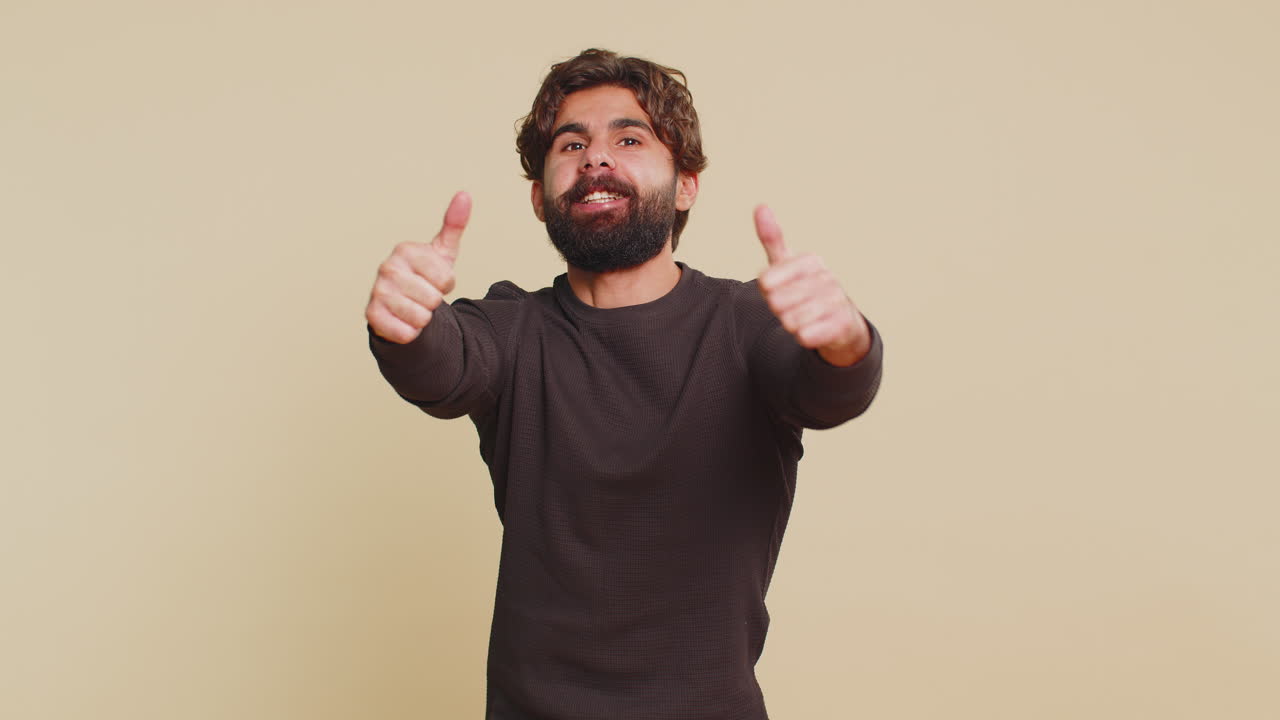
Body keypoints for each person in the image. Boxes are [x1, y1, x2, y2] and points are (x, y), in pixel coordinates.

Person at [366, 48, 884, 720]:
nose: (594, 158)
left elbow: (827, 388)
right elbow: (445, 364)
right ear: (538, 196)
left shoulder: (748, 323)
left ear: (687, 184)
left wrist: (848, 341)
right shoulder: (510, 327)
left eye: (629, 138)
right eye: (571, 143)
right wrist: (403, 323)